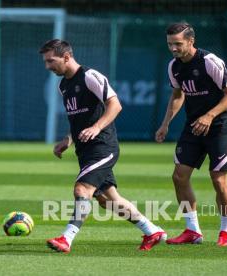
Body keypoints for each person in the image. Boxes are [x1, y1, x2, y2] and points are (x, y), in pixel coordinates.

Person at [40, 39, 166, 253]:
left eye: (51, 61)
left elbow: (115, 104)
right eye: (46, 62)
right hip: (85, 150)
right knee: (108, 200)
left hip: (103, 147)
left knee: (82, 189)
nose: (48, 66)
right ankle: (153, 231)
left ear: (67, 57)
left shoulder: (90, 76)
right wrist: (68, 140)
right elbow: (79, 119)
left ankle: (66, 238)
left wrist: (97, 127)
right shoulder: (64, 85)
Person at [155, 22, 227, 247]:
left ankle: (225, 231)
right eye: (170, 44)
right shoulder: (174, 66)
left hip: (220, 126)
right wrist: (165, 124)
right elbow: (177, 95)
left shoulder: (210, 62)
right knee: (179, 177)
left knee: (219, 180)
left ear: (191, 41)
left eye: (178, 44)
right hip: (193, 127)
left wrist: (210, 116)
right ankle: (192, 231)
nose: (173, 48)